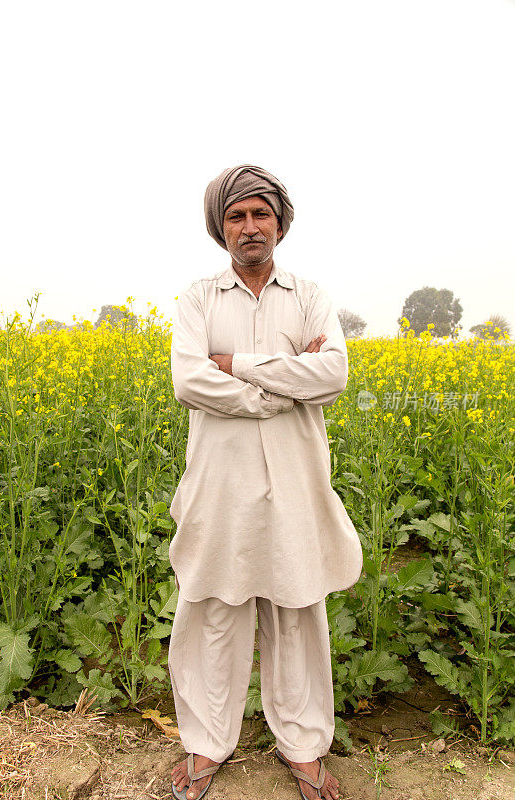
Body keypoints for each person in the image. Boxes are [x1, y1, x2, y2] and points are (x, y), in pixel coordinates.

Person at [167, 165, 363, 800]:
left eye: (260, 215)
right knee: (211, 610)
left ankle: (304, 750)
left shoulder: (309, 297)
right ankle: (205, 746)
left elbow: (330, 374)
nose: (250, 227)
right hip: (219, 486)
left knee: (297, 608)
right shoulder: (198, 298)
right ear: (220, 228)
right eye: (237, 217)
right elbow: (190, 381)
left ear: (279, 223)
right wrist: (276, 391)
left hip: (295, 485)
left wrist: (242, 366)